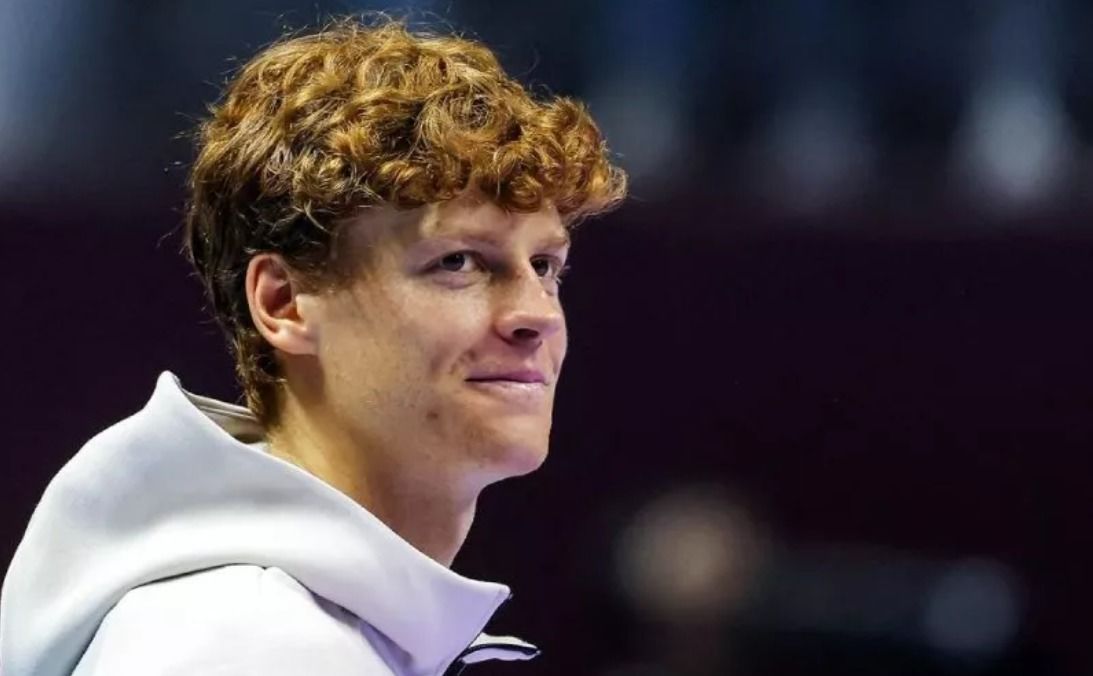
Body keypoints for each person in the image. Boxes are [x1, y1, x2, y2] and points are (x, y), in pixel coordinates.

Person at [0, 16, 626, 676]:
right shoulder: (248, 645)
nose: (535, 315)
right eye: (458, 262)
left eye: (545, 266)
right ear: (283, 303)